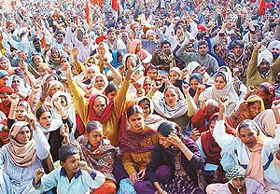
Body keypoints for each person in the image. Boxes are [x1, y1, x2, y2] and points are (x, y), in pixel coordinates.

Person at [213, 98, 280, 193]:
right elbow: (219, 137)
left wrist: (275, 112)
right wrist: (222, 110)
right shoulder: (237, 144)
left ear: (257, 132)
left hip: (266, 187)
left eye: (250, 134)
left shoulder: (267, 144)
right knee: (211, 189)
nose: (247, 139)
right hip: (243, 185)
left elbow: (278, 140)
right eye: (243, 136)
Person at [62, 56, 132, 146]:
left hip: (111, 155)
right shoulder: (87, 114)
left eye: (102, 105)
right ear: (92, 106)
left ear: (107, 105)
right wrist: (69, 77)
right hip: (91, 156)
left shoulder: (113, 113)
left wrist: (128, 76)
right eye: (97, 106)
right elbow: (78, 97)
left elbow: (121, 96)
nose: (100, 108)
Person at [135, 121, 205, 194]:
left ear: (172, 138)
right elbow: (150, 169)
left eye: (163, 139)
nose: (160, 142)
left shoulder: (188, 143)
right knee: (139, 185)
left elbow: (199, 164)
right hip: (171, 181)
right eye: (159, 139)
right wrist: (160, 191)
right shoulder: (161, 147)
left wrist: (180, 145)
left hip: (190, 181)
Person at [0, 119, 50, 194]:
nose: (26, 136)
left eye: (27, 132)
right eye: (21, 133)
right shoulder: (7, 149)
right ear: (14, 135)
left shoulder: (35, 146)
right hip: (12, 187)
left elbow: (44, 154)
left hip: (33, 185)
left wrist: (35, 128)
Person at [33, 144, 105, 194]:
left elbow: (99, 181)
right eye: (72, 161)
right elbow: (42, 186)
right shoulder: (57, 174)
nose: (77, 164)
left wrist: (88, 169)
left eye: (78, 160)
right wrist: (37, 179)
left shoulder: (84, 173)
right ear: (62, 164)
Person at [118, 105, 158, 194]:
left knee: (164, 171)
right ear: (128, 121)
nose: (137, 122)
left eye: (139, 119)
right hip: (137, 171)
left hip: (152, 168)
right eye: (133, 120)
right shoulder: (126, 136)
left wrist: (148, 168)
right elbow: (126, 159)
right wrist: (131, 172)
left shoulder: (152, 133)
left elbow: (159, 155)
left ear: (143, 117)